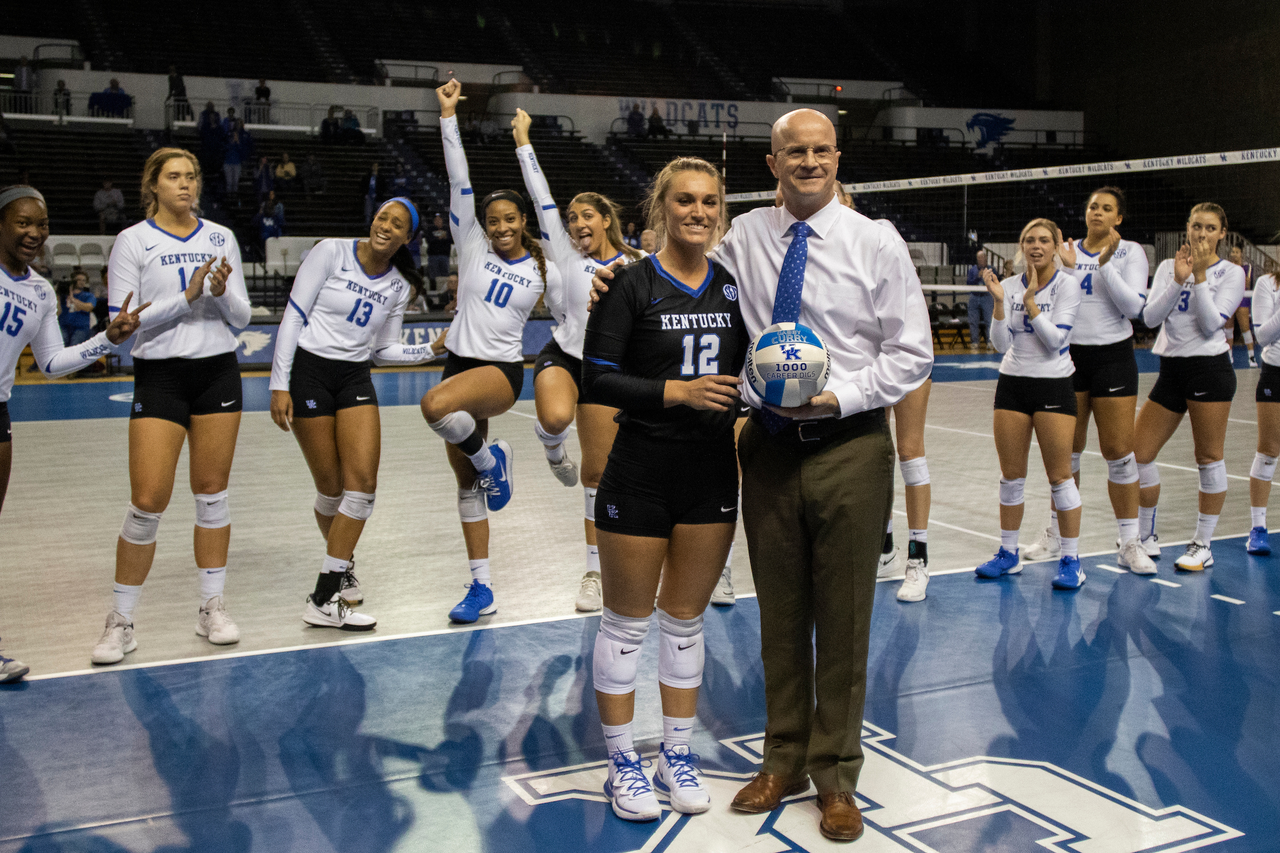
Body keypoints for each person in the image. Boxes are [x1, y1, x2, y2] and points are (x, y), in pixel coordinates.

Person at [593, 108, 932, 842]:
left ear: (837, 157)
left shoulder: (876, 242)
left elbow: (913, 355)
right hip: (769, 445)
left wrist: (836, 395)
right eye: (793, 152)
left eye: (820, 150)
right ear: (771, 163)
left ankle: (837, 775)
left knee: (843, 617)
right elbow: (673, 266)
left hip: (847, 441)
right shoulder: (742, 235)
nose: (808, 162)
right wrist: (614, 285)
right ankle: (783, 758)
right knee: (779, 615)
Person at [582, 155, 745, 820]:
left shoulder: (734, 287)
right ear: (662, 209)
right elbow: (597, 376)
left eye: (709, 201)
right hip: (640, 471)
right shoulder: (629, 284)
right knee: (625, 624)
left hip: (709, 474)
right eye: (685, 201)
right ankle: (621, 760)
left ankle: (676, 752)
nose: (698, 212)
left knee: (684, 623)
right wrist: (675, 391)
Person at [90, 147, 253, 666]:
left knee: (211, 495)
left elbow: (243, 317)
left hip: (217, 372)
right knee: (148, 501)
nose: (185, 185)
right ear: (153, 185)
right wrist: (187, 295)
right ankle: (121, 621)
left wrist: (221, 293)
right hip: (160, 376)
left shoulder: (220, 236)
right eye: (174, 177)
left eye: (192, 177)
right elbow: (125, 322)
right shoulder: (132, 241)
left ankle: (212, 607)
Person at [270, 198, 448, 630]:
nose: (386, 225)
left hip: (353, 378)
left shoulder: (400, 286)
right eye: (383, 216)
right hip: (309, 374)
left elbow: (383, 350)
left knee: (363, 487)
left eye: (398, 224)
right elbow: (293, 317)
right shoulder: (330, 251)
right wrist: (278, 383)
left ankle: (323, 596)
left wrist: (430, 350)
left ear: (408, 238)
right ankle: (342, 566)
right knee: (331, 493)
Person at [420, 79, 555, 624]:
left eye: (509, 219)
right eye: (492, 220)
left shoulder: (544, 263)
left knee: (433, 407)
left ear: (523, 222)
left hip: (499, 372)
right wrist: (448, 117)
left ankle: (489, 458)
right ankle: (483, 587)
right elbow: (459, 180)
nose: (499, 227)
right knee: (468, 487)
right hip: (460, 362)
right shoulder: (470, 244)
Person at [0, 185, 148, 682]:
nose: (34, 233)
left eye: (40, 225)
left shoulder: (40, 291)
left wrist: (107, 339)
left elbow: (52, 364)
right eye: (23, 222)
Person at [513, 108, 644, 614]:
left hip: (608, 372)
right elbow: (540, 194)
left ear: (606, 219)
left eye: (585, 215)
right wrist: (524, 139)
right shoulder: (564, 254)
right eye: (570, 218)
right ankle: (551, 451)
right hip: (564, 355)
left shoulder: (635, 266)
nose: (575, 223)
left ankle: (593, 571)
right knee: (552, 417)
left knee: (597, 475)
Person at [1021, 188, 1154, 574]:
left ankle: (1130, 542)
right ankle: (1057, 535)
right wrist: (1065, 267)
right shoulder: (1065, 249)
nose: (1097, 212)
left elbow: (1134, 309)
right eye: (1093, 206)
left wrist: (1105, 265)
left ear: (1119, 218)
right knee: (1066, 452)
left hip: (1113, 357)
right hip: (1069, 356)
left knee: (1118, 451)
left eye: (1107, 208)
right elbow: (1048, 299)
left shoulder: (1131, 252)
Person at [973, 218, 1085, 589]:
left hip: (1053, 386)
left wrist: (1032, 305)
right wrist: (1001, 304)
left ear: (1055, 246)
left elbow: (1056, 342)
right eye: (1029, 241)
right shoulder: (1006, 285)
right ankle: (1009, 553)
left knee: (1060, 478)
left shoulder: (1068, 285)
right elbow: (1001, 345)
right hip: (1013, 385)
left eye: (1043, 240)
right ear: (1022, 247)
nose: (1036, 246)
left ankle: (1071, 560)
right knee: (1011, 477)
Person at [1134, 203, 1246, 570]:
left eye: (1210, 228)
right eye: (1196, 226)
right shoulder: (1169, 266)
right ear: (1187, 228)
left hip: (1209, 370)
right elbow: (1149, 318)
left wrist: (1198, 277)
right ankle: (1146, 537)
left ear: (1221, 234)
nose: (1201, 234)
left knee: (1208, 457)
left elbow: (1213, 324)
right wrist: (1180, 278)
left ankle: (1203, 544)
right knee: (1138, 453)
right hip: (1171, 369)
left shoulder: (1231, 273)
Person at [1247, 263, 1280, 556]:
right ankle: (1258, 527)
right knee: (1269, 450)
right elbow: (1263, 336)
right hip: (1276, 372)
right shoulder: (1268, 284)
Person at [1225, 245, 1256, 366]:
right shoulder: (1226, 267)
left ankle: (1252, 356)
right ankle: (1229, 355)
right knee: (1228, 328)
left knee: (1245, 328)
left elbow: (1247, 284)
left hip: (1242, 298)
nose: (1234, 254)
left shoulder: (1247, 267)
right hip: (1229, 297)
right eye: (1232, 251)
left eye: (1237, 252)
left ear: (1241, 254)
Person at [59, 269, 97, 347]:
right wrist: (58, 295)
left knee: (74, 346)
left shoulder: (88, 295)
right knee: (60, 346)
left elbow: (89, 307)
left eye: (84, 280)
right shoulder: (63, 296)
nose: (81, 282)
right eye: (79, 280)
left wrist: (73, 299)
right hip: (64, 326)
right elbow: (57, 310)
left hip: (80, 328)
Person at [966, 249, 994, 348]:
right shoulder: (972, 270)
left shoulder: (991, 269)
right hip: (974, 296)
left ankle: (990, 341)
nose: (980, 259)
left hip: (987, 296)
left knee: (989, 321)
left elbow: (996, 282)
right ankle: (974, 342)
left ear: (985, 258)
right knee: (973, 321)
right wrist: (978, 277)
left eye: (982, 257)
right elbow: (968, 283)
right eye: (978, 258)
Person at [424, 213, 452, 281]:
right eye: (436, 220)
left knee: (445, 275)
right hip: (433, 256)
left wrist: (445, 237)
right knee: (433, 276)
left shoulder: (447, 229)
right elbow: (428, 239)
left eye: (439, 220)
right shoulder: (430, 229)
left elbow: (451, 240)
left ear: (442, 220)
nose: (438, 221)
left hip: (444, 255)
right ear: (434, 221)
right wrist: (436, 238)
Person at [223, 129, 245, 199]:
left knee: (235, 180)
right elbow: (226, 149)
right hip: (228, 163)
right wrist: (232, 142)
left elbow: (242, 152)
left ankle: (235, 195)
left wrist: (238, 142)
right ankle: (229, 195)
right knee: (229, 181)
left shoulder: (239, 143)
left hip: (237, 163)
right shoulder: (228, 142)